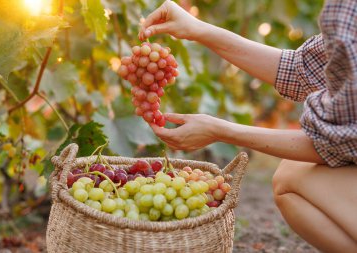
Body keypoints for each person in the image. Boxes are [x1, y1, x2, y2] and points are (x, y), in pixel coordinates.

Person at [138, 0, 357, 252]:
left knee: (292, 181)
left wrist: (221, 130)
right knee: (294, 170)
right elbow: (300, 70)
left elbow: (335, 143)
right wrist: (197, 29)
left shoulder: (346, 10)